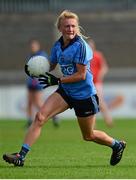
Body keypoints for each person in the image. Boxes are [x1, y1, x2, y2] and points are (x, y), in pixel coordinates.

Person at [3, 10, 126, 167]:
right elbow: (51, 65)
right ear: (60, 28)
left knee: (88, 136)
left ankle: (117, 145)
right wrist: (36, 69)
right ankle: (21, 156)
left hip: (84, 96)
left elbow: (81, 75)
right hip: (66, 91)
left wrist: (57, 80)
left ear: (77, 27)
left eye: (73, 26)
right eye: (67, 26)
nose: (70, 29)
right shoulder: (57, 46)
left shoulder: (81, 46)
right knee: (40, 117)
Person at [88, 39, 124, 127]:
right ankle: (93, 123)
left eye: (91, 45)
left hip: (96, 83)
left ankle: (108, 120)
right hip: (88, 83)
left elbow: (104, 67)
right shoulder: (85, 56)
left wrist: (100, 75)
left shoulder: (97, 55)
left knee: (100, 101)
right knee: (90, 103)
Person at [26, 39, 59, 127]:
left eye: (34, 46)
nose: (33, 47)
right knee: (29, 102)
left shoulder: (42, 55)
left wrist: (38, 77)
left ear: (38, 46)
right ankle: (29, 121)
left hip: (37, 82)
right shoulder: (30, 56)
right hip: (30, 82)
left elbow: (45, 68)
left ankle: (52, 115)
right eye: (31, 46)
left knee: (37, 102)